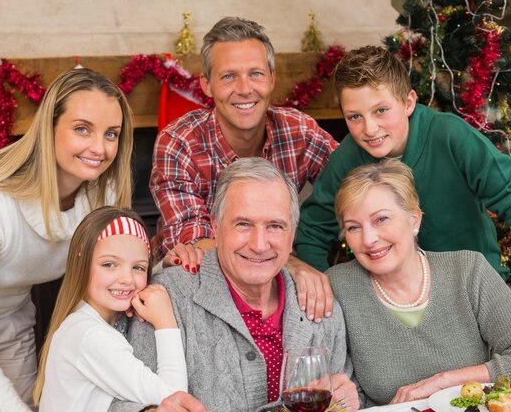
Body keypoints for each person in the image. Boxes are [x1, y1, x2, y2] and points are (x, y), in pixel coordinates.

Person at [0, 68, 134, 412]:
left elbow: (118, 271)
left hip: (10, 311)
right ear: (49, 129)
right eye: (81, 129)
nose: (99, 148)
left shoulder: (102, 195)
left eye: (111, 134)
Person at [294, 45, 511, 315]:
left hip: (473, 297)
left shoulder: (450, 136)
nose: (370, 129)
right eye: (354, 117)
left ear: (409, 102)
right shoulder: (348, 157)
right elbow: (311, 231)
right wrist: (330, 299)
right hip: (390, 305)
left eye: (381, 110)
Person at [112, 158, 361, 412]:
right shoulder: (165, 299)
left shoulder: (320, 307)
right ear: (216, 228)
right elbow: (117, 403)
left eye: (275, 226)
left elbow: (348, 394)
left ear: (292, 235)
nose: (259, 244)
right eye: (243, 224)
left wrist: (350, 399)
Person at [150, 17, 338, 321]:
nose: (245, 89)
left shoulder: (298, 130)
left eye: (256, 74)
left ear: (272, 79)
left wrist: (312, 247)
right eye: (228, 77)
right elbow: (195, 241)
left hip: (272, 280)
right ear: (206, 85)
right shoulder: (179, 140)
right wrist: (294, 263)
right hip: (190, 283)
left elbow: (354, 186)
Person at [326, 159, 511, 406]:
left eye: (381, 219)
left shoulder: (468, 270)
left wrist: (442, 382)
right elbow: (350, 394)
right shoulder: (337, 286)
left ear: (414, 220)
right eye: (353, 228)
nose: (369, 239)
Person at [34, 207, 187, 411]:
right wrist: (166, 322)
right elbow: (175, 400)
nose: (126, 279)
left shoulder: (81, 322)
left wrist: (161, 270)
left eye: (138, 268)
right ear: (83, 264)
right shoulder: (90, 336)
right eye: (109, 264)